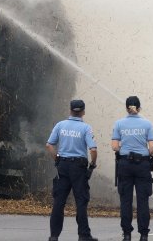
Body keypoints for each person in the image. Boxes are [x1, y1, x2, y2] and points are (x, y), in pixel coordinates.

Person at [46, 99, 98, 241]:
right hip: (79, 167)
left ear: (70, 110)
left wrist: (57, 159)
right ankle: (83, 235)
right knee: (81, 200)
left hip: (62, 166)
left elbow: (49, 145)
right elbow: (93, 149)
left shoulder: (60, 125)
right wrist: (92, 164)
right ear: (83, 112)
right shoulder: (86, 128)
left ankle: (54, 236)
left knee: (59, 201)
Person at [112, 95, 153, 241]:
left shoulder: (118, 124)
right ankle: (143, 234)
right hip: (142, 165)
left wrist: (125, 150)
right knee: (143, 200)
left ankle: (127, 234)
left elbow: (114, 146)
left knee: (126, 200)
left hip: (124, 164)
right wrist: (142, 154)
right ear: (139, 108)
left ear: (126, 108)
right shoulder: (148, 124)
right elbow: (152, 148)